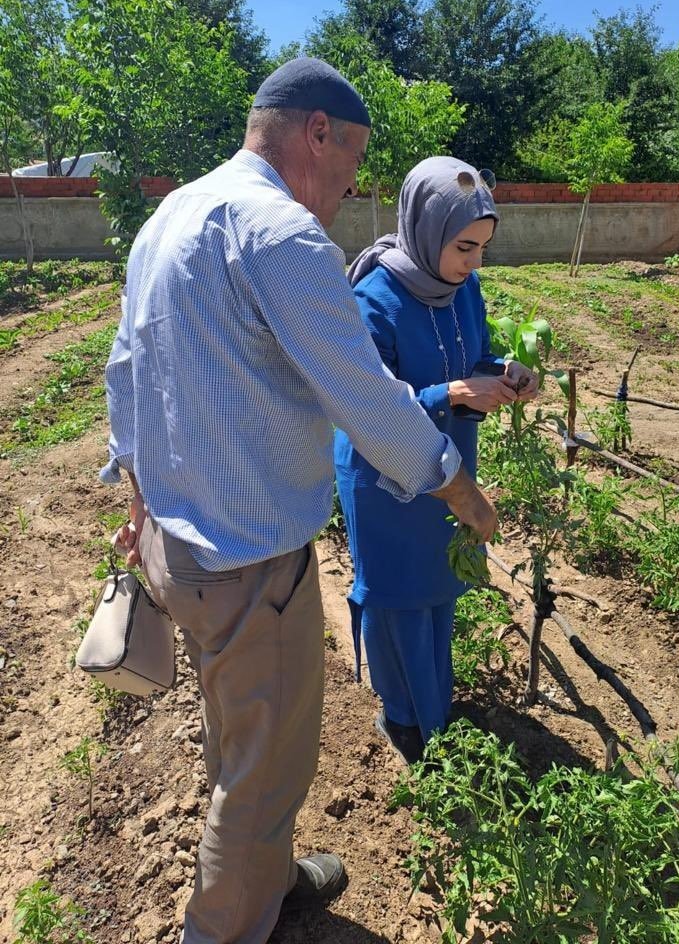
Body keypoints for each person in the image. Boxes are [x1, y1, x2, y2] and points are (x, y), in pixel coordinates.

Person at [100, 59, 497, 944]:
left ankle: (269, 879)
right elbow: (365, 395)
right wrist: (456, 484)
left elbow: (125, 371)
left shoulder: (170, 216)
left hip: (178, 545)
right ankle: (226, 927)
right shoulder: (280, 234)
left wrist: (133, 498)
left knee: (243, 740)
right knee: (265, 772)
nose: (348, 195)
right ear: (318, 133)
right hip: (249, 565)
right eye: (351, 169)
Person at [335, 157, 539, 765]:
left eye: (481, 247)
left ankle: (436, 708)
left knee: (440, 584)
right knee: (397, 595)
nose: (474, 262)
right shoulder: (374, 299)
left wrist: (503, 371)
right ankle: (402, 719)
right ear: (425, 231)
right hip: (385, 477)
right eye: (464, 246)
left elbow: (469, 357)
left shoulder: (462, 289)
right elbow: (370, 405)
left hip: (449, 462)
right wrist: (451, 393)